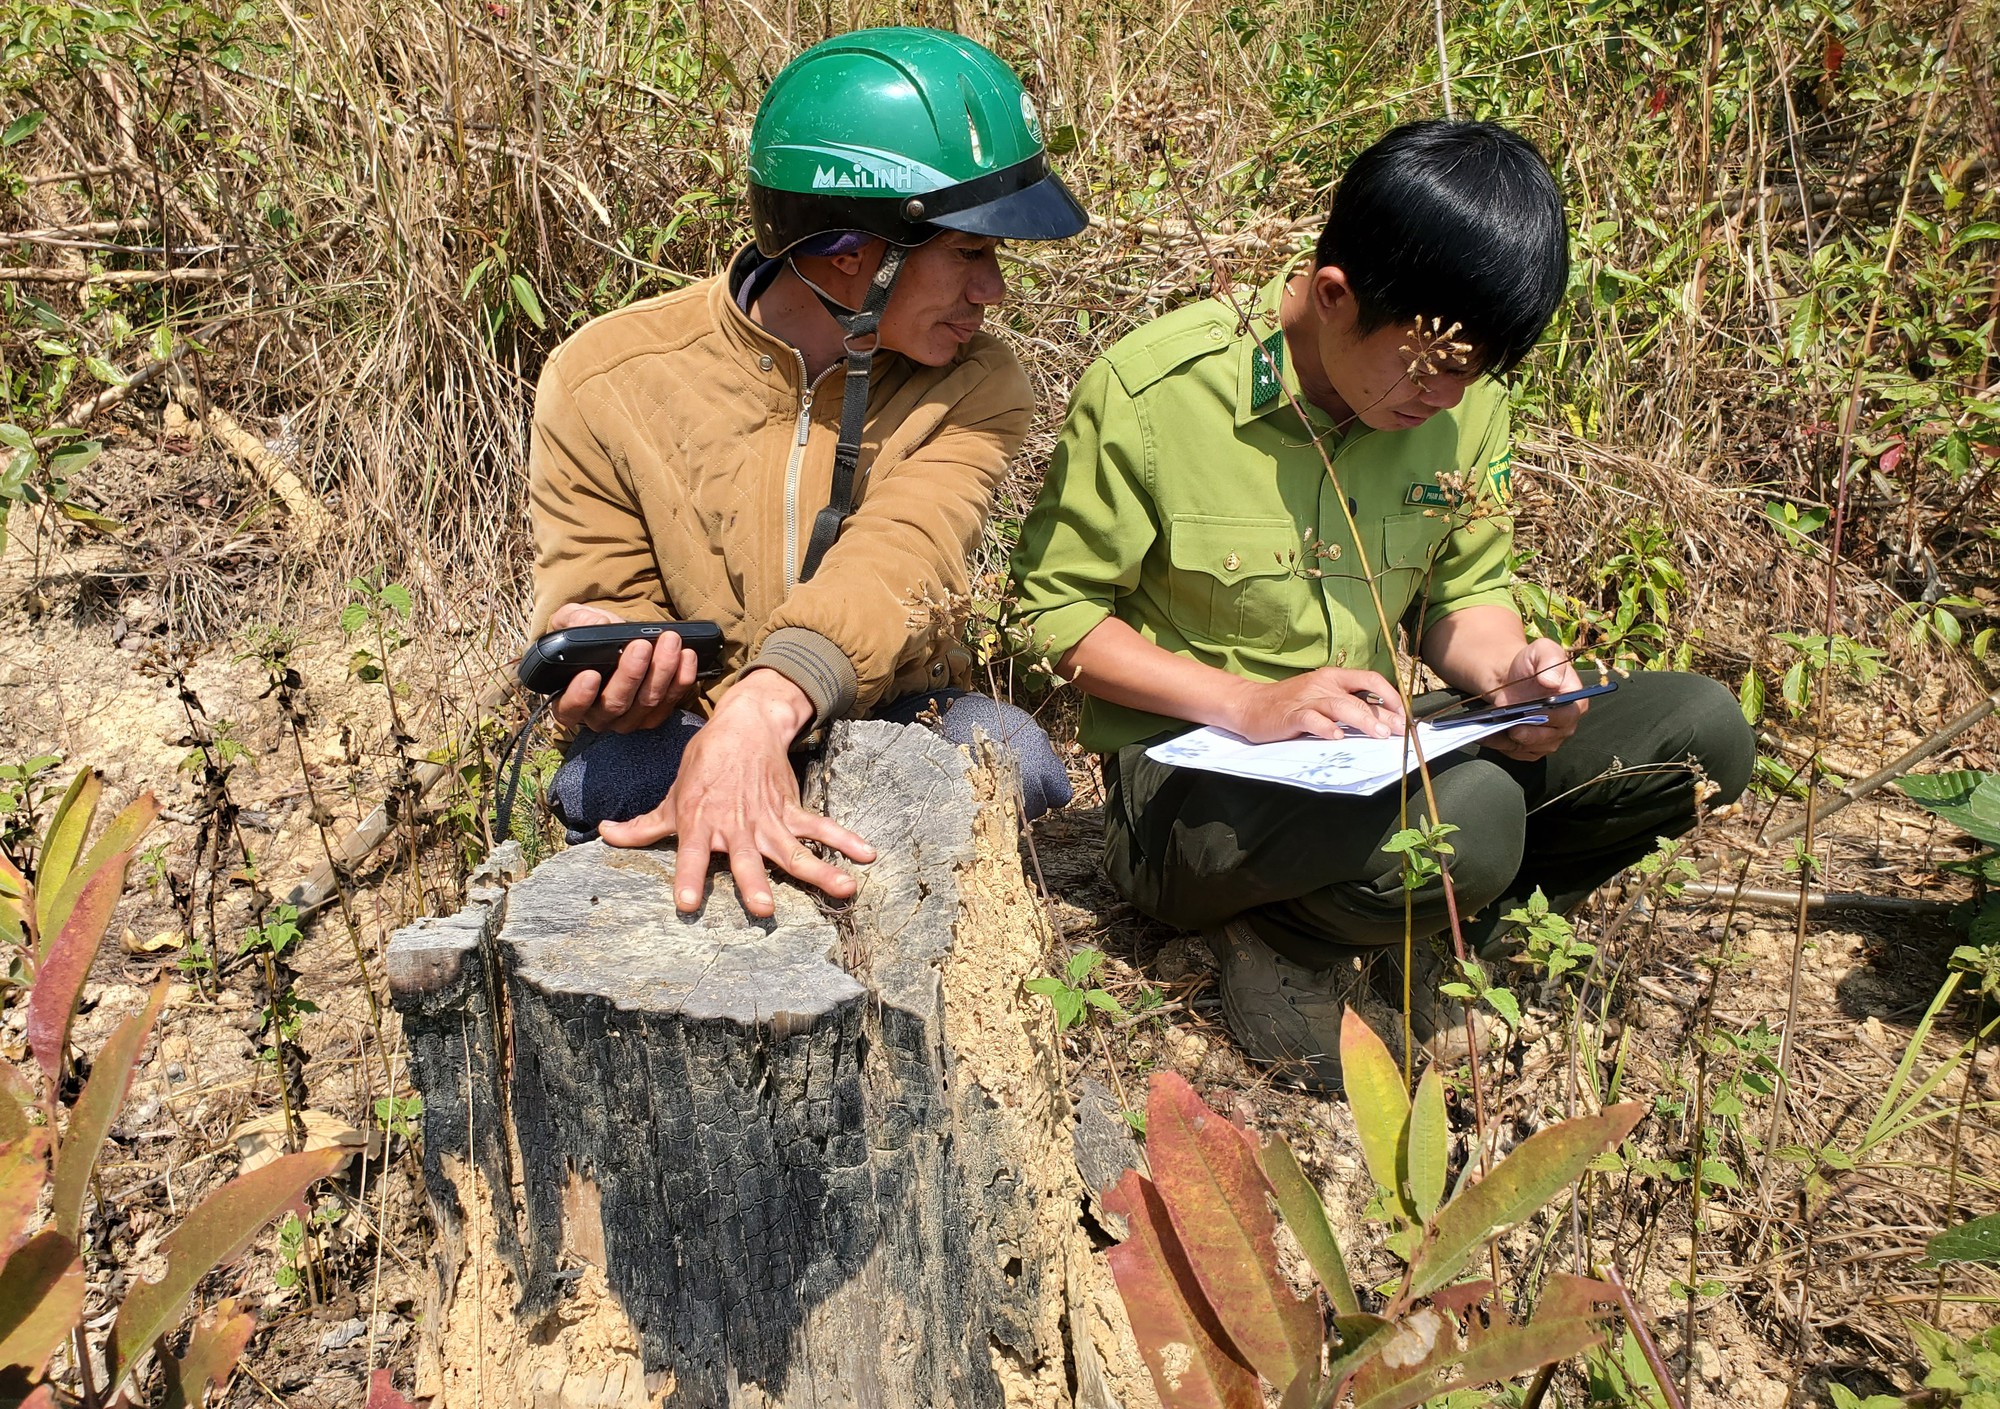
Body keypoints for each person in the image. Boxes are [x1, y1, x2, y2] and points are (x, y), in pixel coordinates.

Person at [1008, 119, 1753, 1089]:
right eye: (1427, 365)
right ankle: (1280, 940)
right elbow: (1051, 616)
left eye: (1470, 373)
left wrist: (1510, 675)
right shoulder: (1158, 393)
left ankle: (1438, 937)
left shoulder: (1459, 400)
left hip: (1371, 746)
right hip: (1192, 794)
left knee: (1700, 733)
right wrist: (1246, 703)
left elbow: (1465, 594)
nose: (1444, 398)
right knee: (1472, 816)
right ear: (1331, 297)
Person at [529, 28, 1085, 919]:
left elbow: (905, 553)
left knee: (1011, 753)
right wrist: (621, 665)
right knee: (610, 777)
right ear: (847, 252)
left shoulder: (980, 383)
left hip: (882, 713)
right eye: (969, 255)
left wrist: (769, 708)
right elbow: (604, 596)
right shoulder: (604, 380)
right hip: (691, 730)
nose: (994, 294)